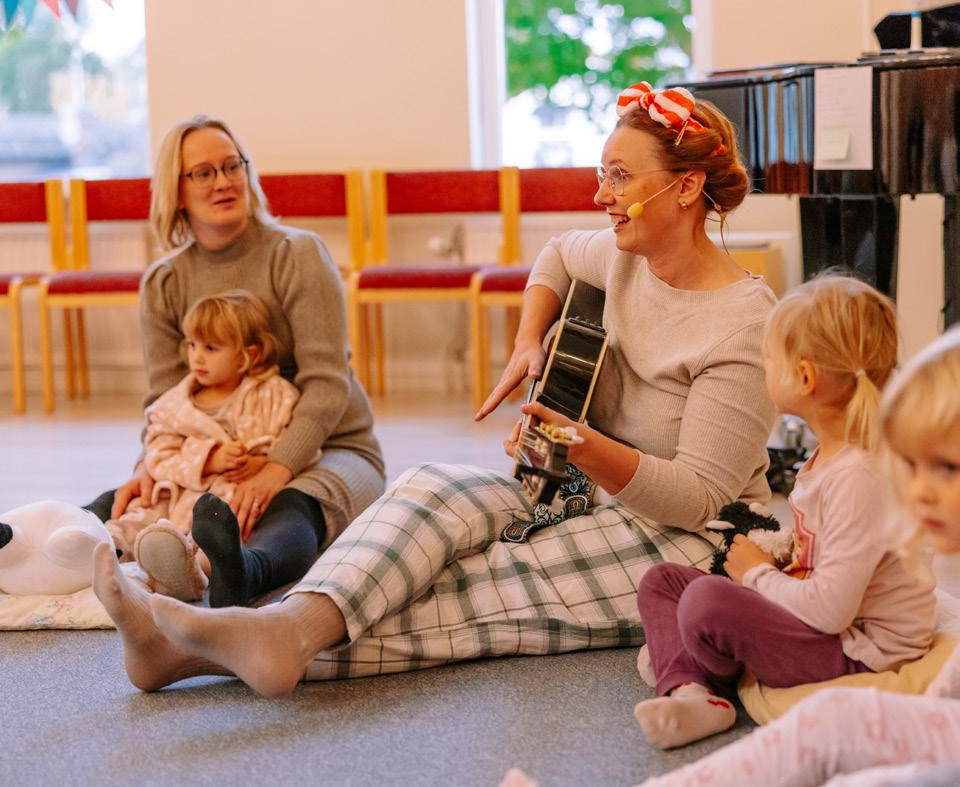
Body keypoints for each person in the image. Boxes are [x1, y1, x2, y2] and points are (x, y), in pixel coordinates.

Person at [92, 82, 779, 696]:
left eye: (621, 177)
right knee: (428, 489)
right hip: (583, 488)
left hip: (688, 544)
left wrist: (576, 443)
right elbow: (555, 256)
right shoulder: (621, 255)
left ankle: (197, 652)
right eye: (602, 174)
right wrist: (529, 341)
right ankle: (278, 628)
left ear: (686, 188)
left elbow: (695, 498)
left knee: (480, 582)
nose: (601, 196)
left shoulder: (742, 324)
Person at [86, 116, 385, 607]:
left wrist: (276, 469)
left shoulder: (298, 253)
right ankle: (45, 538)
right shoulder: (164, 281)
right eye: (203, 173)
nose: (223, 181)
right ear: (176, 191)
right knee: (134, 497)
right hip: (216, 453)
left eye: (232, 166)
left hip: (328, 446)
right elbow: (165, 399)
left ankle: (242, 572)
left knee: (288, 507)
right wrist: (149, 464)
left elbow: (328, 382)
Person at [632, 275, 937, 750]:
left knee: (705, 602)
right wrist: (776, 565)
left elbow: (832, 612)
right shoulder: (828, 458)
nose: (764, 368)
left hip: (857, 649)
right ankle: (692, 691)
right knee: (663, 583)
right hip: (827, 623)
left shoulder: (860, 476)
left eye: (769, 359)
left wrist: (757, 574)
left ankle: (689, 666)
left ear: (805, 378)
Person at [106, 289, 306, 603]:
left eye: (211, 348)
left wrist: (262, 462)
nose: (196, 357)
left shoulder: (273, 395)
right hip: (177, 493)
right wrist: (208, 459)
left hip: (230, 496)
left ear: (247, 356)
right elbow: (158, 452)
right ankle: (103, 551)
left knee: (220, 536)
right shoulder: (175, 403)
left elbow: (296, 441)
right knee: (137, 518)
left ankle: (192, 573)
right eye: (192, 344)